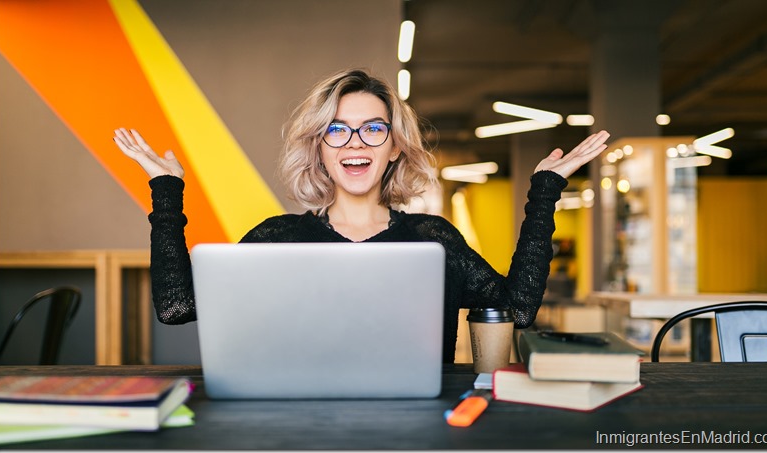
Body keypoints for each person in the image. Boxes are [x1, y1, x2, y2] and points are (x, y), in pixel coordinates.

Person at [114, 68, 609, 363]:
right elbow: (177, 308)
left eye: (373, 128)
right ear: (320, 149)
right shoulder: (278, 239)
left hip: (419, 431)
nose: (354, 142)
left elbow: (517, 308)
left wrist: (545, 192)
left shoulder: (431, 239)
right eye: (337, 130)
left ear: (394, 147)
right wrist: (166, 191)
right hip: (300, 430)